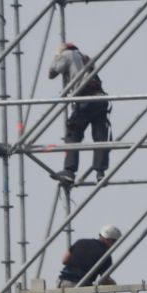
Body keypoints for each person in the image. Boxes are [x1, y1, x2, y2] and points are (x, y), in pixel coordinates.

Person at [48, 41, 111, 188]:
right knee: (100, 137)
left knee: (73, 132)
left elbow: (52, 73)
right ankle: (100, 173)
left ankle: (69, 172)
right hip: (101, 99)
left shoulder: (67, 54)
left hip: (86, 98)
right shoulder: (86, 58)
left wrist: (57, 55)